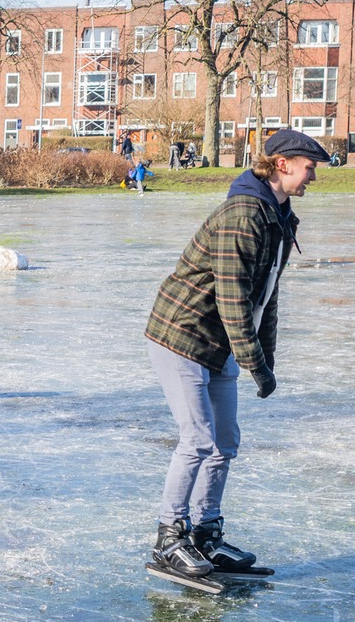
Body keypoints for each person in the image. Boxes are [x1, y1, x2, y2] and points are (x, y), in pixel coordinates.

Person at [142, 126, 331, 589]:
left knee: (225, 442)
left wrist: (265, 358)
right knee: (197, 439)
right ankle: (169, 537)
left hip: (221, 343)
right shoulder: (243, 214)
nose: (312, 178)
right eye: (308, 168)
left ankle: (205, 534)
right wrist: (256, 365)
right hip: (182, 336)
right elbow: (231, 300)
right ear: (282, 164)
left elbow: (265, 296)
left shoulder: (278, 216)